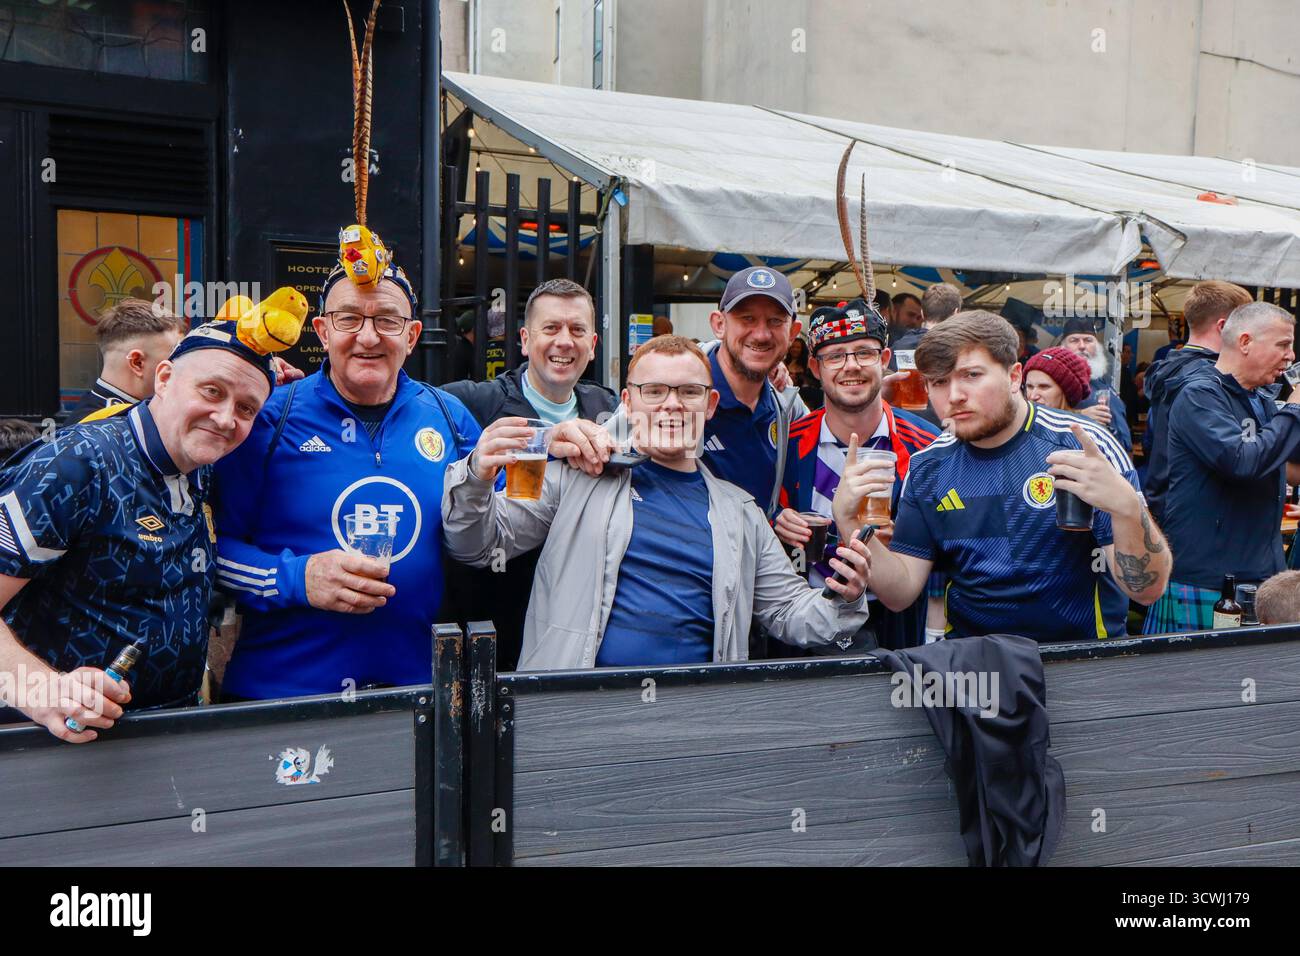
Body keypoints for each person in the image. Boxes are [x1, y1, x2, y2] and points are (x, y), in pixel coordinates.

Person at [441, 335, 872, 670]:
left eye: (688, 391)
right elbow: (476, 545)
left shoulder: (741, 511)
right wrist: (478, 472)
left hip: (693, 723)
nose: (671, 403)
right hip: (574, 714)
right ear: (628, 401)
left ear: (710, 403)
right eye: (654, 390)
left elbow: (790, 612)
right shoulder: (577, 476)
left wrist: (843, 595)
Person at [209, 253, 482, 700]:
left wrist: (560, 444)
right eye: (349, 318)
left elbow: (505, 526)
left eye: (388, 321)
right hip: (281, 698)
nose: (368, 336)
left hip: (414, 697)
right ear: (322, 331)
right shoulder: (268, 419)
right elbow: (209, 550)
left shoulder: (450, 419)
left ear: (412, 336)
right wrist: (295, 577)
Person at [0, 320, 275, 739]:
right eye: (212, 391)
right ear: (164, 378)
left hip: (165, 741)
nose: (225, 418)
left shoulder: (201, 468)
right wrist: (42, 689)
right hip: (56, 747)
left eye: (246, 408)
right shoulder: (75, 464)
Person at [857, 311, 1170, 643]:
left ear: (1014, 376)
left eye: (971, 375)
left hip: (1080, 666)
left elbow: (1147, 591)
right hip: (975, 671)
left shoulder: (1082, 446)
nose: (954, 396)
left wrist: (1126, 508)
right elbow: (900, 593)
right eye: (939, 382)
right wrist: (851, 521)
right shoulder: (928, 466)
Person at [440, 278, 618, 669]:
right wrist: (542, 439)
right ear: (524, 339)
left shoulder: (607, 406)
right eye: (550, 328)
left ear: (593, 344)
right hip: (492, 629)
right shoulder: (472, 401)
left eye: (577, 330)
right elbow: (400, 402)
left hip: (582, 632)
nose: (564, 341)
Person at [774, 299, 939, 651]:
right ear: (816, 369)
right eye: (835, 356)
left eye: (864, 353)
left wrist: (911, 541)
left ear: (884, 360)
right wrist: (776, 520)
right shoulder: (785, 446)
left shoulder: (927, 447)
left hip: (894, 627)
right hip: (803, 620)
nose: (851, 366)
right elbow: (754, 522)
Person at [1146, 302, 1300, 633]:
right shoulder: (1199, 395)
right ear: (1245, 342)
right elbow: (1244, 461)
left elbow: (1290, 466)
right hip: (1207, 579)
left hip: (1263, 577)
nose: (1290, 356)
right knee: (1191, 683)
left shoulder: (1259, 400)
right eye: (1283, 345)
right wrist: (1294, 408)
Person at [1141, 281, 1253, 522]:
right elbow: (1236, 456)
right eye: (1247, 328)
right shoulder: (1210, 380)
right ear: (1224, 328)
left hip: (1165, 502)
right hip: (1198, 513)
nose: (1249, 338)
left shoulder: (1167, 368)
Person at [68, 298, 187, 420]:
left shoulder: (97, 417)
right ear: (137, 363)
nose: (183, 366)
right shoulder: (104, 425)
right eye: (175, 355)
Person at [1058, 317, 1133, 454]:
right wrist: (1080, 415)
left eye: (1088, 340)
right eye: (1074, 340)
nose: (1082, 346)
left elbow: (1124, 444)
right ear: (1063, 347)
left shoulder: (1104, 389)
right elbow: (1038, 416)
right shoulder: (1051, 384)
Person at [1022, 347, 1092, 412]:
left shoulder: (1079, 425)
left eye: (1044, 387)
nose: (1033, 396)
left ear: (1068, 393)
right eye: (1029, 386)